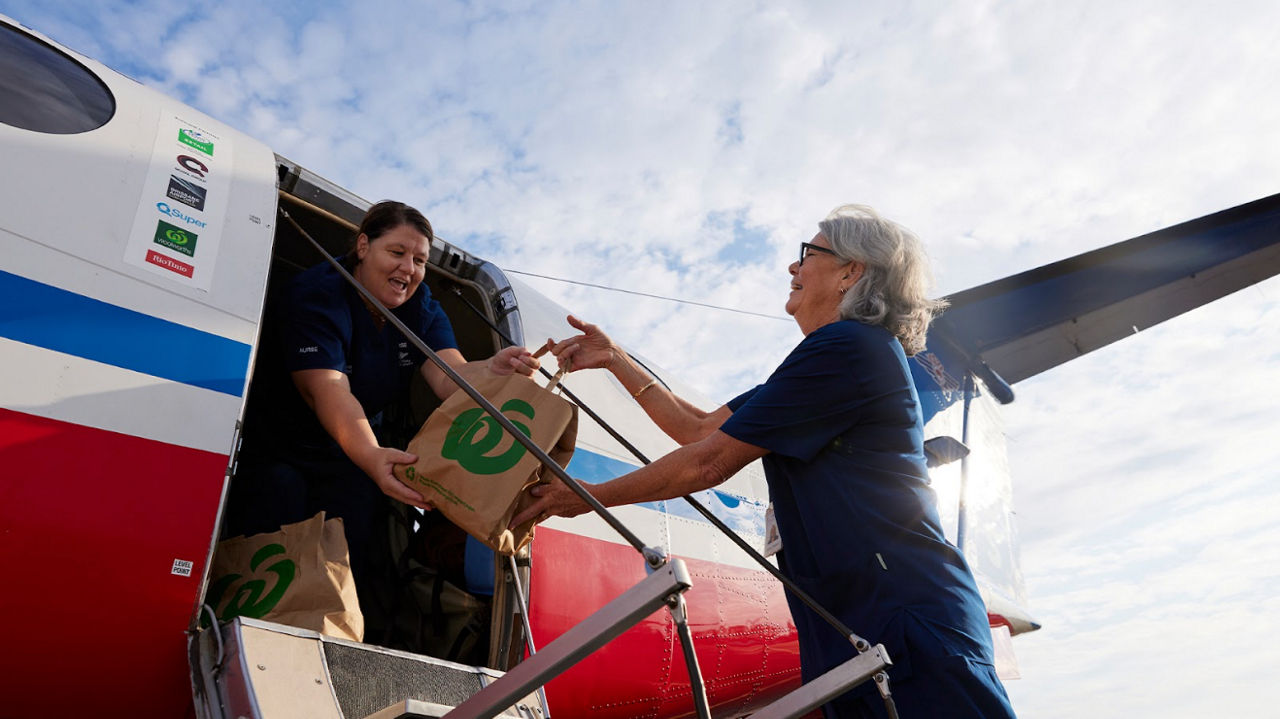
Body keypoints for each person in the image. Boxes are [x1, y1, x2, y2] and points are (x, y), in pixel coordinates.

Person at [514, 205, 1016, 718]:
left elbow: (705, 465)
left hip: (905, 619)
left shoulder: (848, 348)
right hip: (858, 621)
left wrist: (581, 498)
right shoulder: (827, 359)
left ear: (851, 271)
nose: (793, 268)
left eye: (809, 254)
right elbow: (698, 428)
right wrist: (615, 358)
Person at [225, 200, 538, 626]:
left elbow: (450, 377)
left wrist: (491, 369)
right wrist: (373, 456)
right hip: (284, 447)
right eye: (397, 252)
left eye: (420, 260)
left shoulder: (422, 306)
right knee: (272, 532)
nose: (409, 268)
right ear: (363, 246)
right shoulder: (316, 293)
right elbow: (328, 391)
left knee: (353, 544)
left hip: (348, 458)